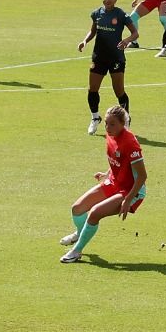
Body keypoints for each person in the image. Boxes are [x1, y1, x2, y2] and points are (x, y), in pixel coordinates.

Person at [58, 104, 145, 263]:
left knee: (94, 213)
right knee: (77, 209)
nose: (107, 127)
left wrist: (128, 199)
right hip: (114, 182)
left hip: (131, 190)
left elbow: (142, 176)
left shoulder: (131, 143)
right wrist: (107, 174)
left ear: (122, 124)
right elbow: (119, 161)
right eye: (106, 123)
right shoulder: (110, 136)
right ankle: (80, 233)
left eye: (112, 124)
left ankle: (77, 251)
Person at [78, 0, 138, 135]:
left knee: (119, 91)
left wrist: (126, 40)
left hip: (116, 57)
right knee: (92, 89)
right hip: (99, 56)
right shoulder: (97, 14)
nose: (107, 0)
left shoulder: (121, 15)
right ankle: (95, 118)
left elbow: (135, 33)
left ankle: (126, 120)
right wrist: (85, 41)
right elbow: (93, 31)